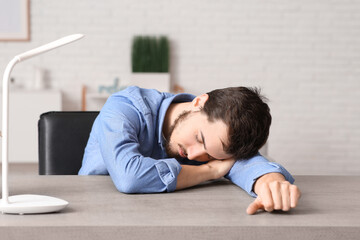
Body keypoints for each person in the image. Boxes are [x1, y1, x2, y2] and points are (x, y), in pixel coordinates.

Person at [79, 86, 301, 215]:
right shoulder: (124, 107)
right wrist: (210, 171)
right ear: (199, 103)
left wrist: (269, 182)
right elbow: (129, 176)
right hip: (97, 214)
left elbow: (247, 163)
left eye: (211, 156)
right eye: (199, 138)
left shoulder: (215, 137)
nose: (195, 155)